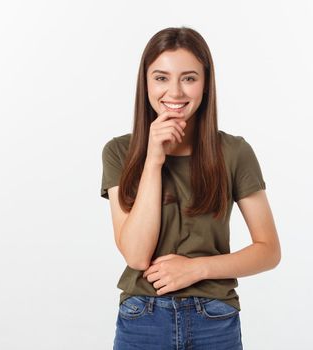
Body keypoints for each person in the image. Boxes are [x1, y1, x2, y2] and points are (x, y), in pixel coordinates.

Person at [100, 26, 281, 350]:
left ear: (206, 83)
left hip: (214, 318)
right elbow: (137, 255)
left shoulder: (234, 152)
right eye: (161, 78)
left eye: (189, 78)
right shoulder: (119, 152)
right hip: (142, 317)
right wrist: (153, 160)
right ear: (145, 83)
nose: (175, 92)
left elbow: (268, 250)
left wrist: (197, 268)